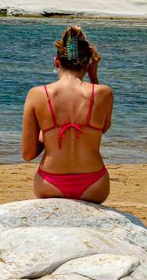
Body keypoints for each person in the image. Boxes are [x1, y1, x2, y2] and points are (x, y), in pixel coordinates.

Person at [21, 25, 112, 203]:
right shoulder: (103, 93)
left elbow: (28, 154)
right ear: (89, 63)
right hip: (95, 184)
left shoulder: (37, 94)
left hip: (49, 183)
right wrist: (94, 77)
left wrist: (48, 134)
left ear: (56, 62)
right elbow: (102, 128)